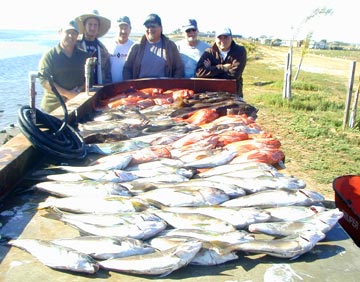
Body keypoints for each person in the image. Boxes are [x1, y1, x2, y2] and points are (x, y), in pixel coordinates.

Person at [38, 20, 90, 113]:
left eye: (74, 33)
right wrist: (68, 94)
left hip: (76, 104)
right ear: (60, 33)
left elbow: (88, 78)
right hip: (53, 107)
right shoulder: (50, 56)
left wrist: (79, 91)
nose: (71, 36)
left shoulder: (84, 56)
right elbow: (44, 80)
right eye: (68, 32)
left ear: (77, 35)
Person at [123, 13, 184, 80]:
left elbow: (179, 69)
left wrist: (173, 86)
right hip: (140, 89)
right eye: (147, 27)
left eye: (153, 26)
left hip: (164, 88)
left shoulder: (170, 46)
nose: (150, 29)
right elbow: (127, 69)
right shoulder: (136, 47)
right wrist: (131, 86)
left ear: (161, 28)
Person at [196, 27, 247, 97]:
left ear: (231, 38)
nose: (223, 40)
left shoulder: (239, 51)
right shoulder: (209, 52)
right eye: (220, 37)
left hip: (233, 94)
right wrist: (223, 68)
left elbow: (234, 75)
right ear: (215, 39)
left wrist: (210, 70)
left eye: (225, 37)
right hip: (212, 94)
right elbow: (199, 72)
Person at [76, 10, 112, 85]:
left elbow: (107, 73)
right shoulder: (75, 45)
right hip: (78, 90)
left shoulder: (102, 49)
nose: (93, 28)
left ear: (98, 28)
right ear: (84, 25)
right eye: (90, 24)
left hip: (97, 88)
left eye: (95, 25)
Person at [110, 16, 134, 82]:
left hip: (128, 87)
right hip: (110, 87)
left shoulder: (135, 47)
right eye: (121, 28)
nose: (123, 31)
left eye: (126, 28)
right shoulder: (106, 46)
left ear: (130, 30)